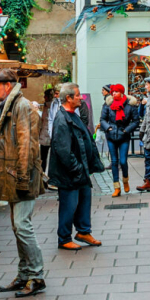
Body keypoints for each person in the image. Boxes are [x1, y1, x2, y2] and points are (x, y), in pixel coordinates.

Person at [0, 69, 47, 298]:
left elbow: (27, 147)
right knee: (17, 227)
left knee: (22, 226)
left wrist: (22, 178)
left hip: (21, 175)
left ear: (8, 86)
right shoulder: (8, 106)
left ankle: (36, 276)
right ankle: (24, 275)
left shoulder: (21, 107)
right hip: (14, 175)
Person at [48, 82, 105, 251]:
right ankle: (64, 238)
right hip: (70, 173)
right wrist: (77, 168)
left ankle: (83, 232)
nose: (81, 98)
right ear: (69, 98)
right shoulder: (62, 118)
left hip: (80, 170)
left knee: (84, 201)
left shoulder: (73, 114)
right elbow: (63, 149)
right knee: (69, 205)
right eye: (78, 95)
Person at [99, 83, 140, 197]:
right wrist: (108, 127)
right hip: (111, 136)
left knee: (123, 161)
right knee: (114, 162)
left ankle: (125, 180)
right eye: (112, 92)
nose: (113, 94)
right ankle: (116, 187)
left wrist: (126, 130)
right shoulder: (108, 104)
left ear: (121, 92)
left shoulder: (131, 105)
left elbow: (136, 121)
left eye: (116, 92)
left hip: (124, 136)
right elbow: (102, 119)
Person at [38, 85, 57, 177]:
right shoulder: (47, 106)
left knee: (44, 156)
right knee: (46, 157)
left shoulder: (52, 105)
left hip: (48, 135)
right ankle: (45, 174)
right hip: (46, 135)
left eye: (45, 96)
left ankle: (45, 174)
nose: (44, 98)